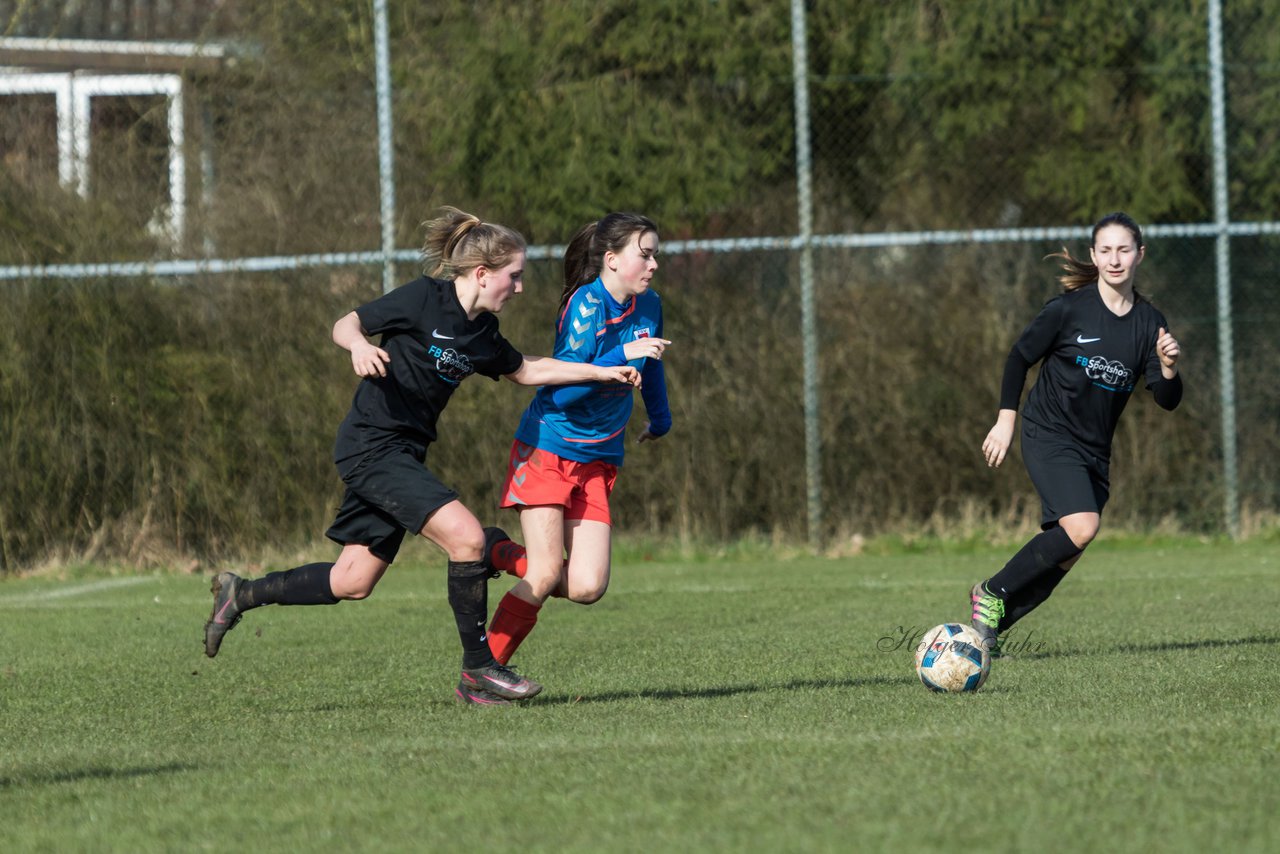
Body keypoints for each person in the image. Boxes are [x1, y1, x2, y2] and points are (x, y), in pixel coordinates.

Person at [202, 206, 641, 706]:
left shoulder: (482, 335)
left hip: (404, 454)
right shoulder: (422, 298)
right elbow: (346, 323)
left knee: (352, 580)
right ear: (482, 273)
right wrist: (357, 348)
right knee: (467, 538)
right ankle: (479, 670)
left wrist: (600, 373)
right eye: (514, 277)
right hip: (370, 446)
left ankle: (240, 594)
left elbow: (527, 370)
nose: (519, 288)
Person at [971, 211, 1182, 653]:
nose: (1115, 259)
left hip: (1094, 451)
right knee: (1083, 526)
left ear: (1140, 255)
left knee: (1069, 551)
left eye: (1124, 249)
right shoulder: (1069, 310)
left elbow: (1166, 398)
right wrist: (1006, 420)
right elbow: (1018, 357)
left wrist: (1167, 367)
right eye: (1105, 250)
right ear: (1093, 255)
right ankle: (990, 593)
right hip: (1047, 432)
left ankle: (987, 633)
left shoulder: (1149, 323)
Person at [480, 212, 672, 667]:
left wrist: (660, 418)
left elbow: (654, 362)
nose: (653, 265)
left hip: (600, 456)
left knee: (587, 586)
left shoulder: (650, 305)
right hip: (549, 447)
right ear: (610, 259)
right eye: (644, 255)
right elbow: (562, 393)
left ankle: (500, 552)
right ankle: (484, 672)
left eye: (655, 255)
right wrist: (621, 353)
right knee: (545, 574)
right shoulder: (586, 306)